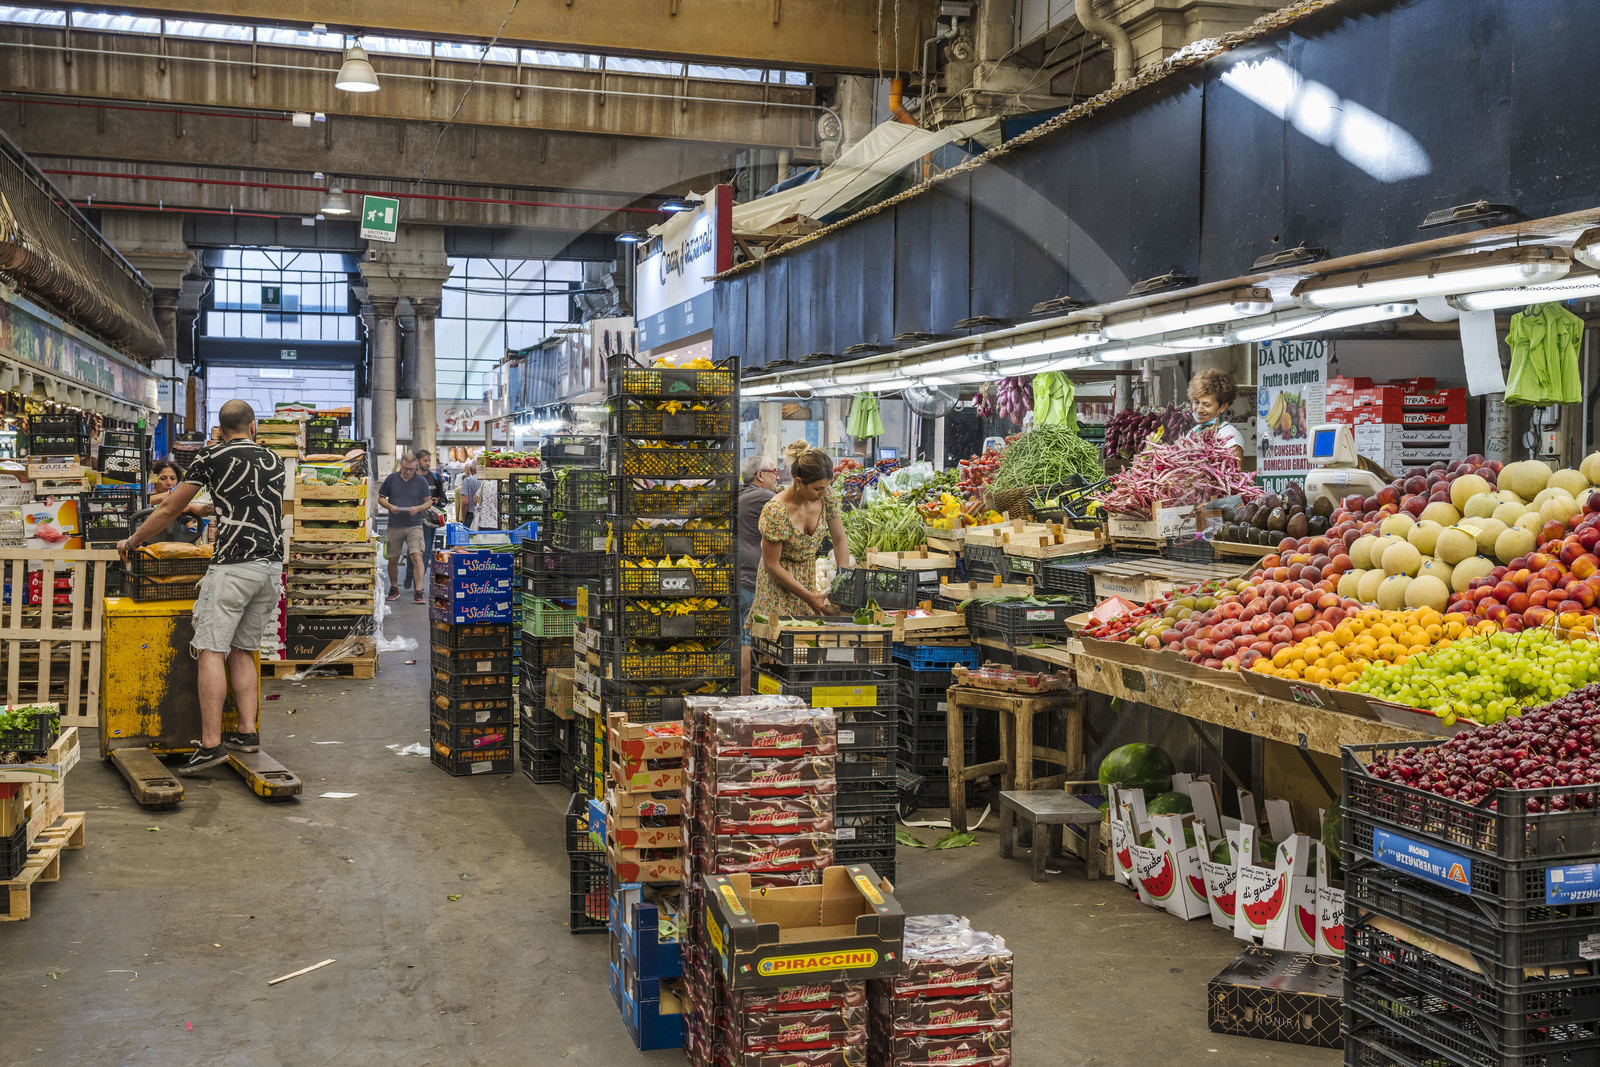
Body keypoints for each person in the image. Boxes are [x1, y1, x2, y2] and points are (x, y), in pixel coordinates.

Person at [118, 399, 285, 774]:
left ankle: (211, 745)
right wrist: (206, 509)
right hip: (270, 567)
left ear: (221, 429)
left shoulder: (212, 457)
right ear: (253, 426)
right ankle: (246, 732)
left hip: (234, 567)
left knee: (210, 649)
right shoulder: (274, 460)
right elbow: (246, 502)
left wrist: (132, 542)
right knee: (244, 649)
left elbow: (167, 510)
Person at [752, 442, 850, 625]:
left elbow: (839, 540)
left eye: (826, 487)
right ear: (798, 482)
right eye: (817, 488)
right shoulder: (776, 510)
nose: (823, 492)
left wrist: (842, 579)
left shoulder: (827, 497)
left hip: (807, 580)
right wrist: (809, 597)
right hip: (777, 587)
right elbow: (771, 565)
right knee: (776, 640)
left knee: (805, 644)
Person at [737, 454, 779, 693]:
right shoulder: (764, 496)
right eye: (774, 472)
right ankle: (745, 701)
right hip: (752, 581)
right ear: (760, 475)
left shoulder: (742, 496)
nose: (777, 477)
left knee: (747, 642)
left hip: (741, 579)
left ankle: (746, 697)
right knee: (748, 643)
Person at [380, 452, 432, 604]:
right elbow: (381, 498)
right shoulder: (391, 479)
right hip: (394, 524)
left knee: (417, 556)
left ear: (415, 465)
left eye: (411, 469)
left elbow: (428, 503)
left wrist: (418, 508)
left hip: (414, 525)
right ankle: (394, 588)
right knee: (393, 558)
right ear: (400, 465)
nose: (408, 472)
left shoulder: (421, 481)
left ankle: (418, 590)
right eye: (405, 469)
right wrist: (390, 506)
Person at [1188, 368, 1245, 461]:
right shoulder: (1192, 432)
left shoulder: (1229, 435)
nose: (1199, 409)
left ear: (1223, 407)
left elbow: (1235, 473)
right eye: (1196, 402)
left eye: (1207, 404)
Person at [457, 461, 482, 529]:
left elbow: (465, 502)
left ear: (470, 469)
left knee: (469, 538)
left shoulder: (467, 480)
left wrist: (463, 518)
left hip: (471, 516)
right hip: (485, 516)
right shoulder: (486, 480)